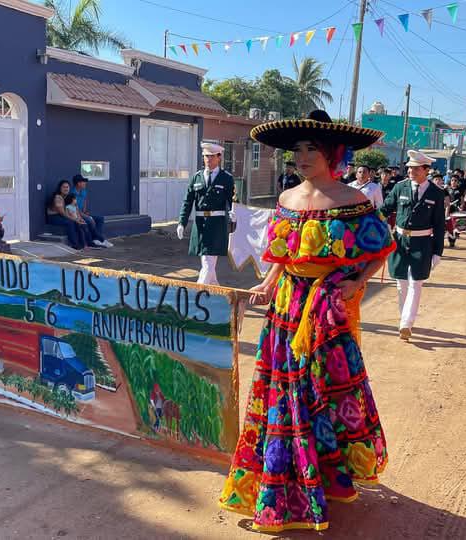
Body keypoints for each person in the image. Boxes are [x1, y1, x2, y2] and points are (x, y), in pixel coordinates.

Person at [219, 110, 394, 532]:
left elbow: (380, 248)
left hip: (328, 313)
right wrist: (267, 283)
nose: (301, 156)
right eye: (297, 149)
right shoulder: (286, 200)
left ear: (333, 153)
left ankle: (328, 476)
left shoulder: (353, 201)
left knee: (326, 390)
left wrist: (357, 282)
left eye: (310, 148)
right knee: (284, 390)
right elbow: (282, 255)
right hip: (285, 310)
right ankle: (284, 483)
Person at [380, 150, 446, 341]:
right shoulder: (400, 187)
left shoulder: (436, 193)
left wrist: (437, 252)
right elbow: (385, 209)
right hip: (400, 242)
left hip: (422, 243)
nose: (411, 171)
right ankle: (405, 320)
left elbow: (440, 225)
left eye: (416, 169)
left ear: (426, 170)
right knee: (401, 284)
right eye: (409, 168)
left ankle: (406, 324)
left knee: (415, 284)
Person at [177, 142, 236, 285]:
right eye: (205, 157)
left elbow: (233, 200)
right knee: (207, 263)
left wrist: (235, 214)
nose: (208, 160)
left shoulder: (226, 178)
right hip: (200, 226)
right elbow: (187, 202)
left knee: (208, 263)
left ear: (219, 157)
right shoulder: (196, 177)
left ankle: (198, 292)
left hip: (217, 225)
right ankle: (215, 291)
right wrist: (181, 223)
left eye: (211, 157)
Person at [71, 174, 113, 248]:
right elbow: (75, 209)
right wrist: (87, 216)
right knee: (89, 220)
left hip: (82, 213)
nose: (85, 183)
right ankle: (101, 239)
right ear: (78, 183)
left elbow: (84, 200)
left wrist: (85, 210)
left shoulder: (83, 191)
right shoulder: (72, 193)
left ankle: (96, 239)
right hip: (75, 215)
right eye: (83, 182)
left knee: (100, 218)